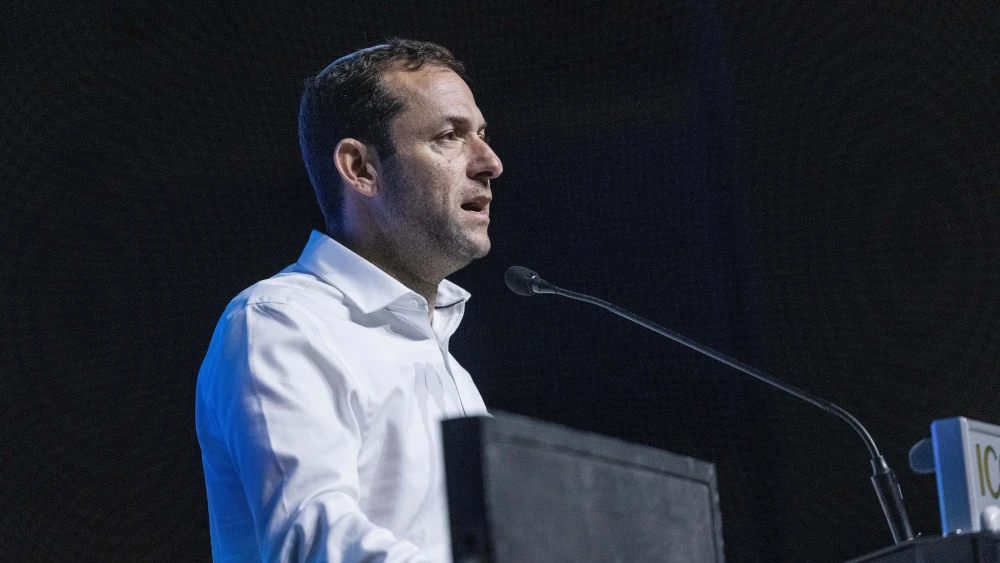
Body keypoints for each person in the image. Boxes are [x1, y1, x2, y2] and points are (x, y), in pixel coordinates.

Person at [195, 39, 503, 562]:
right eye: (449, 136)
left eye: (482, 135)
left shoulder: (449, 364)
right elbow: (312, 541)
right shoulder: (281, 323)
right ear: (360, 168)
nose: (489, 162)